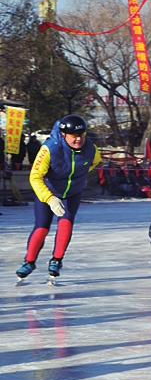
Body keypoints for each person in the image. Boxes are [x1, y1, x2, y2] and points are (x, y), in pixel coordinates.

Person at [16, 115, 101, 282]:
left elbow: (95, 162)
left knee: (66, 222)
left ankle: (56, 260)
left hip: (72, 192)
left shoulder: (91, 148)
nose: (79, 139)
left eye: (82, 135)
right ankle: (29, 261)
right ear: (63, 135)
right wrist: (49, 198)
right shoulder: (49, 149)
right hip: (49, 192)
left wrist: (78, 179)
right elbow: (35, 177)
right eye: (74, 136)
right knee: (42, 227)